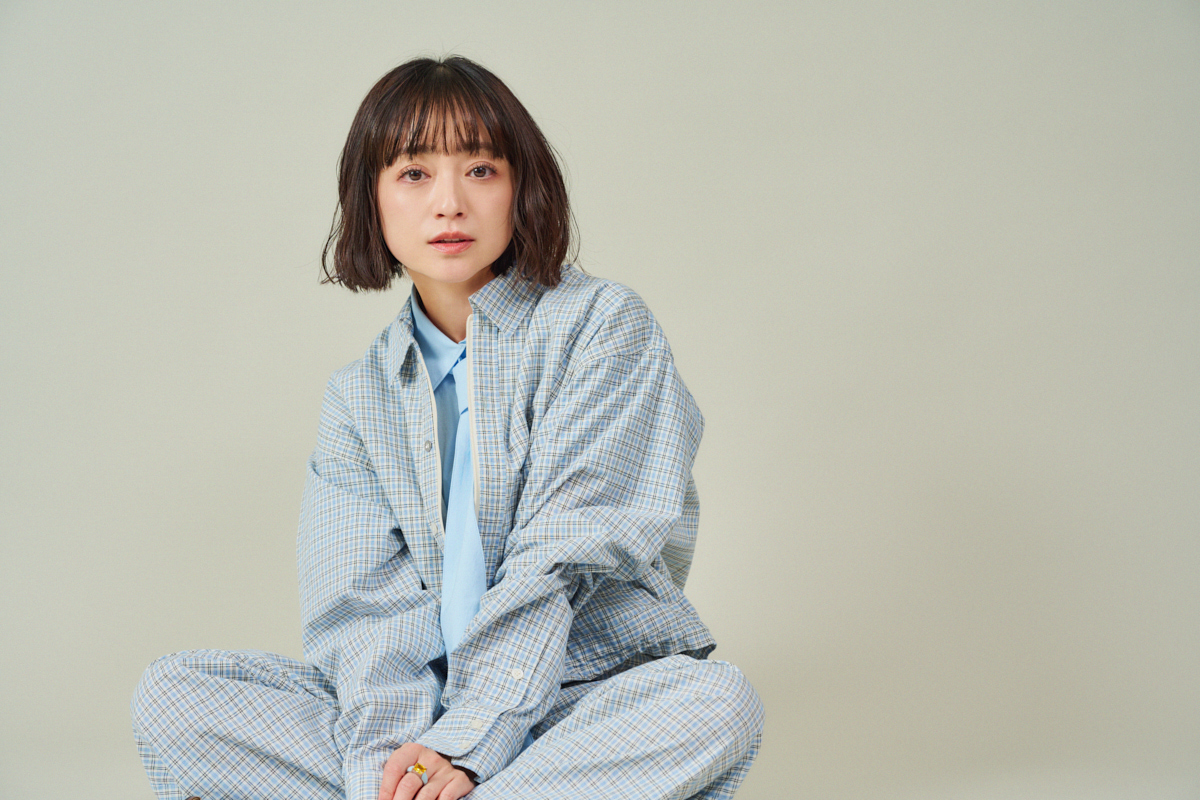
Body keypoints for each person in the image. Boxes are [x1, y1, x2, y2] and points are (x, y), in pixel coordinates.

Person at [131, 55, 763, 800]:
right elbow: (365, 612)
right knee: (175, 697)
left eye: (482, 170)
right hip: (418, 717)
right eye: (414, 173)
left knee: (716, 702)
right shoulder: (358, 396)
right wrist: (400, 762)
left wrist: (468, 744)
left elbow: (563, 558)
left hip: (577, 702)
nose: (450, 204)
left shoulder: (603, 325)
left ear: (523, 186)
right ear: (371, 199)